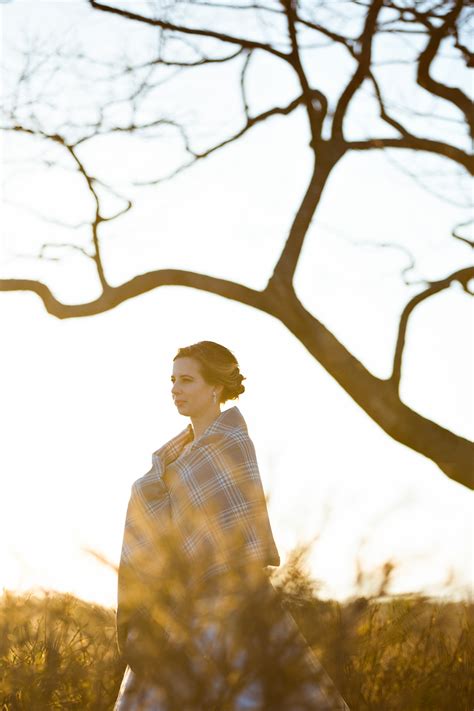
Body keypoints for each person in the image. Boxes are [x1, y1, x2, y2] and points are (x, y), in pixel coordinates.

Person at [113, 341, 350, 711]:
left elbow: (236, 528)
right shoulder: (171, 456)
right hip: (173, 603)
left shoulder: (231, 444)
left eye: (187, 380)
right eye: (173, 379)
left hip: (227, 600)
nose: (175, 388)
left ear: (215, 387)